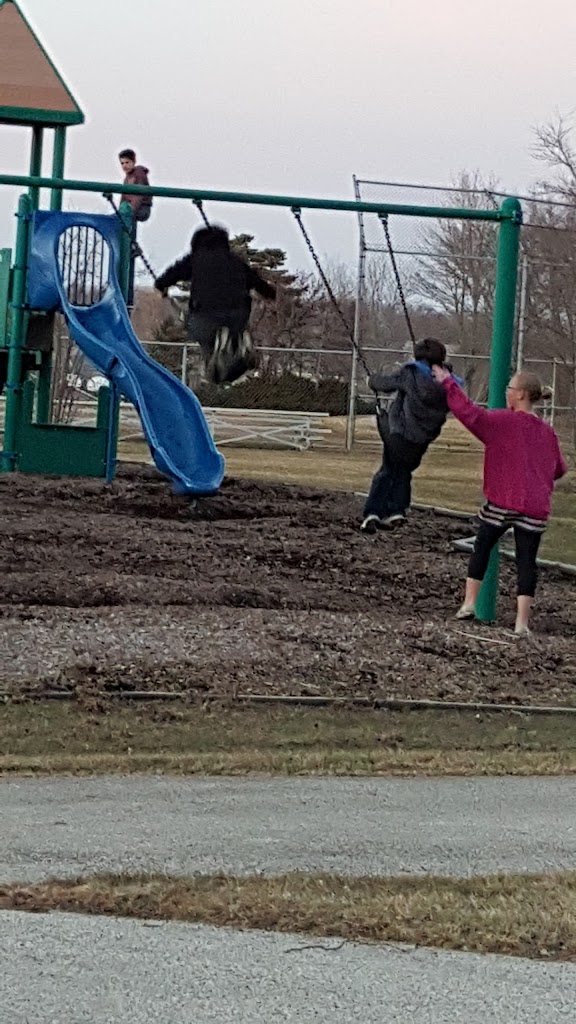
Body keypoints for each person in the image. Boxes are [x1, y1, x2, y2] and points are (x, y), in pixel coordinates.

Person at [432, 366, 568, 636]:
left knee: (482, 545)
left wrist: (448, 383)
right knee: (527, 562)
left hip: (504, 499)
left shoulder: (503, 422)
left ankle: (469, 603)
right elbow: (559, 469)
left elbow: (470, 415)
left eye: (509, 389)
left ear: (520, 394)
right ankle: (521, 623)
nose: (506, 393)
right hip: (535, 507)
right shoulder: (547, 432)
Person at [154, 225, 276, 385]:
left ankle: (218, 350)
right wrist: (270, 294)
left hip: (206, 315)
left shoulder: (195, 259)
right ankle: (238, 342)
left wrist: (161, 286)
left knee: (195, 329)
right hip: (238, 316)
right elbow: (259, 284)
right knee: (234, 330)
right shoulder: (236, 262)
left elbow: (171, 275)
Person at [361, 338, 458, 533]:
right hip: (422, 439)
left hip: (401, 433)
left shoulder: (411, 374)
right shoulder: (448, 383)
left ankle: (373, 512)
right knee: (403, 470)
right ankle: (397, 510)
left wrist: (371, 381)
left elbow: (387, 383)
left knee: (388, 470)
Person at [118, 149, 152, 224]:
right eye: (122, 163)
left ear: (134, 162)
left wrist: (131, 210)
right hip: (131, 207)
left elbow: (139, 195)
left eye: (127, 162)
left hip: (143, 207)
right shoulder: (127, 178)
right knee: (122, 215)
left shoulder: (139, 174)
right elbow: (123, 197)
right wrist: (119, 211)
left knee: (126, 214)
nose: (124, 166)